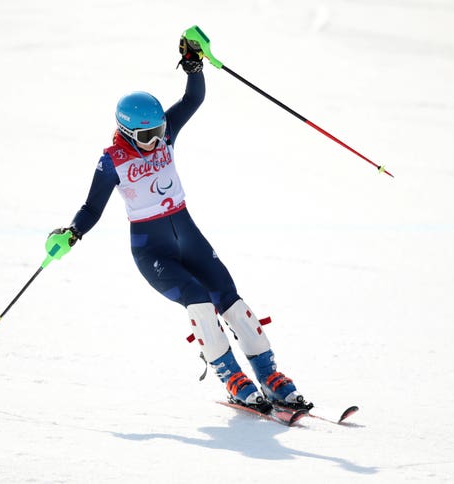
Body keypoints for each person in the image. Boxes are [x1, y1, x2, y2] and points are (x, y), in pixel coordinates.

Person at [52, 34, 312, 413]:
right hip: (152, 250)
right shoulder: (111, 161)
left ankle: (269, 374)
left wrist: (193, 65)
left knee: (231, 300)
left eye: (160, 132)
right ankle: (230, 375)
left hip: (188, 235)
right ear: (126, 132)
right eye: (148, 136)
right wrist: (72, 232)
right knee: (199, 301)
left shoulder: (164, 132)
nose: (158, 140)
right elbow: (91, 208)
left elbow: (193, 99)